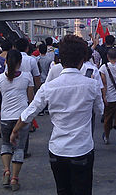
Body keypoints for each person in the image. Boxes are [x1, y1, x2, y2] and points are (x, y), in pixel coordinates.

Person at [10, 35, 103, 195]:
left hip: (58, 150)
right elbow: (100, 110)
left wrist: (15, 131)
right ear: (82, 60)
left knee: (62, 190)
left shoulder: (49, 87)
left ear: (60, 59)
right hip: (82, 149)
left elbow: (28, 113)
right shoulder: (92, 85)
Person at [0, 50, 34, 191]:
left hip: (5, 117)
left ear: (6, 62)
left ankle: (6, 170)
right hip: (22, 117)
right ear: (20, 63)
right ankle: (15, 178)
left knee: (6, 145)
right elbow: (31, 99)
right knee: (19, 148)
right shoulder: (27, 77)